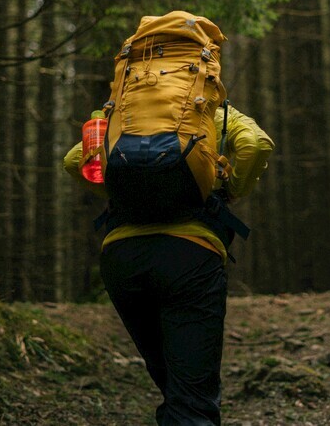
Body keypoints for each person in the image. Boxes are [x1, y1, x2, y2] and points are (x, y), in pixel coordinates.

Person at [63, 104, 273, 425]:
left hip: (122, 257)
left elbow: (74, 161)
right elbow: (256, 145)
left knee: (170, 379)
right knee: (191, 392)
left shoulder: (119, 116)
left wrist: (125, 193)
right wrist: (230, 189)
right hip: (190, 256)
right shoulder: (213, 114)